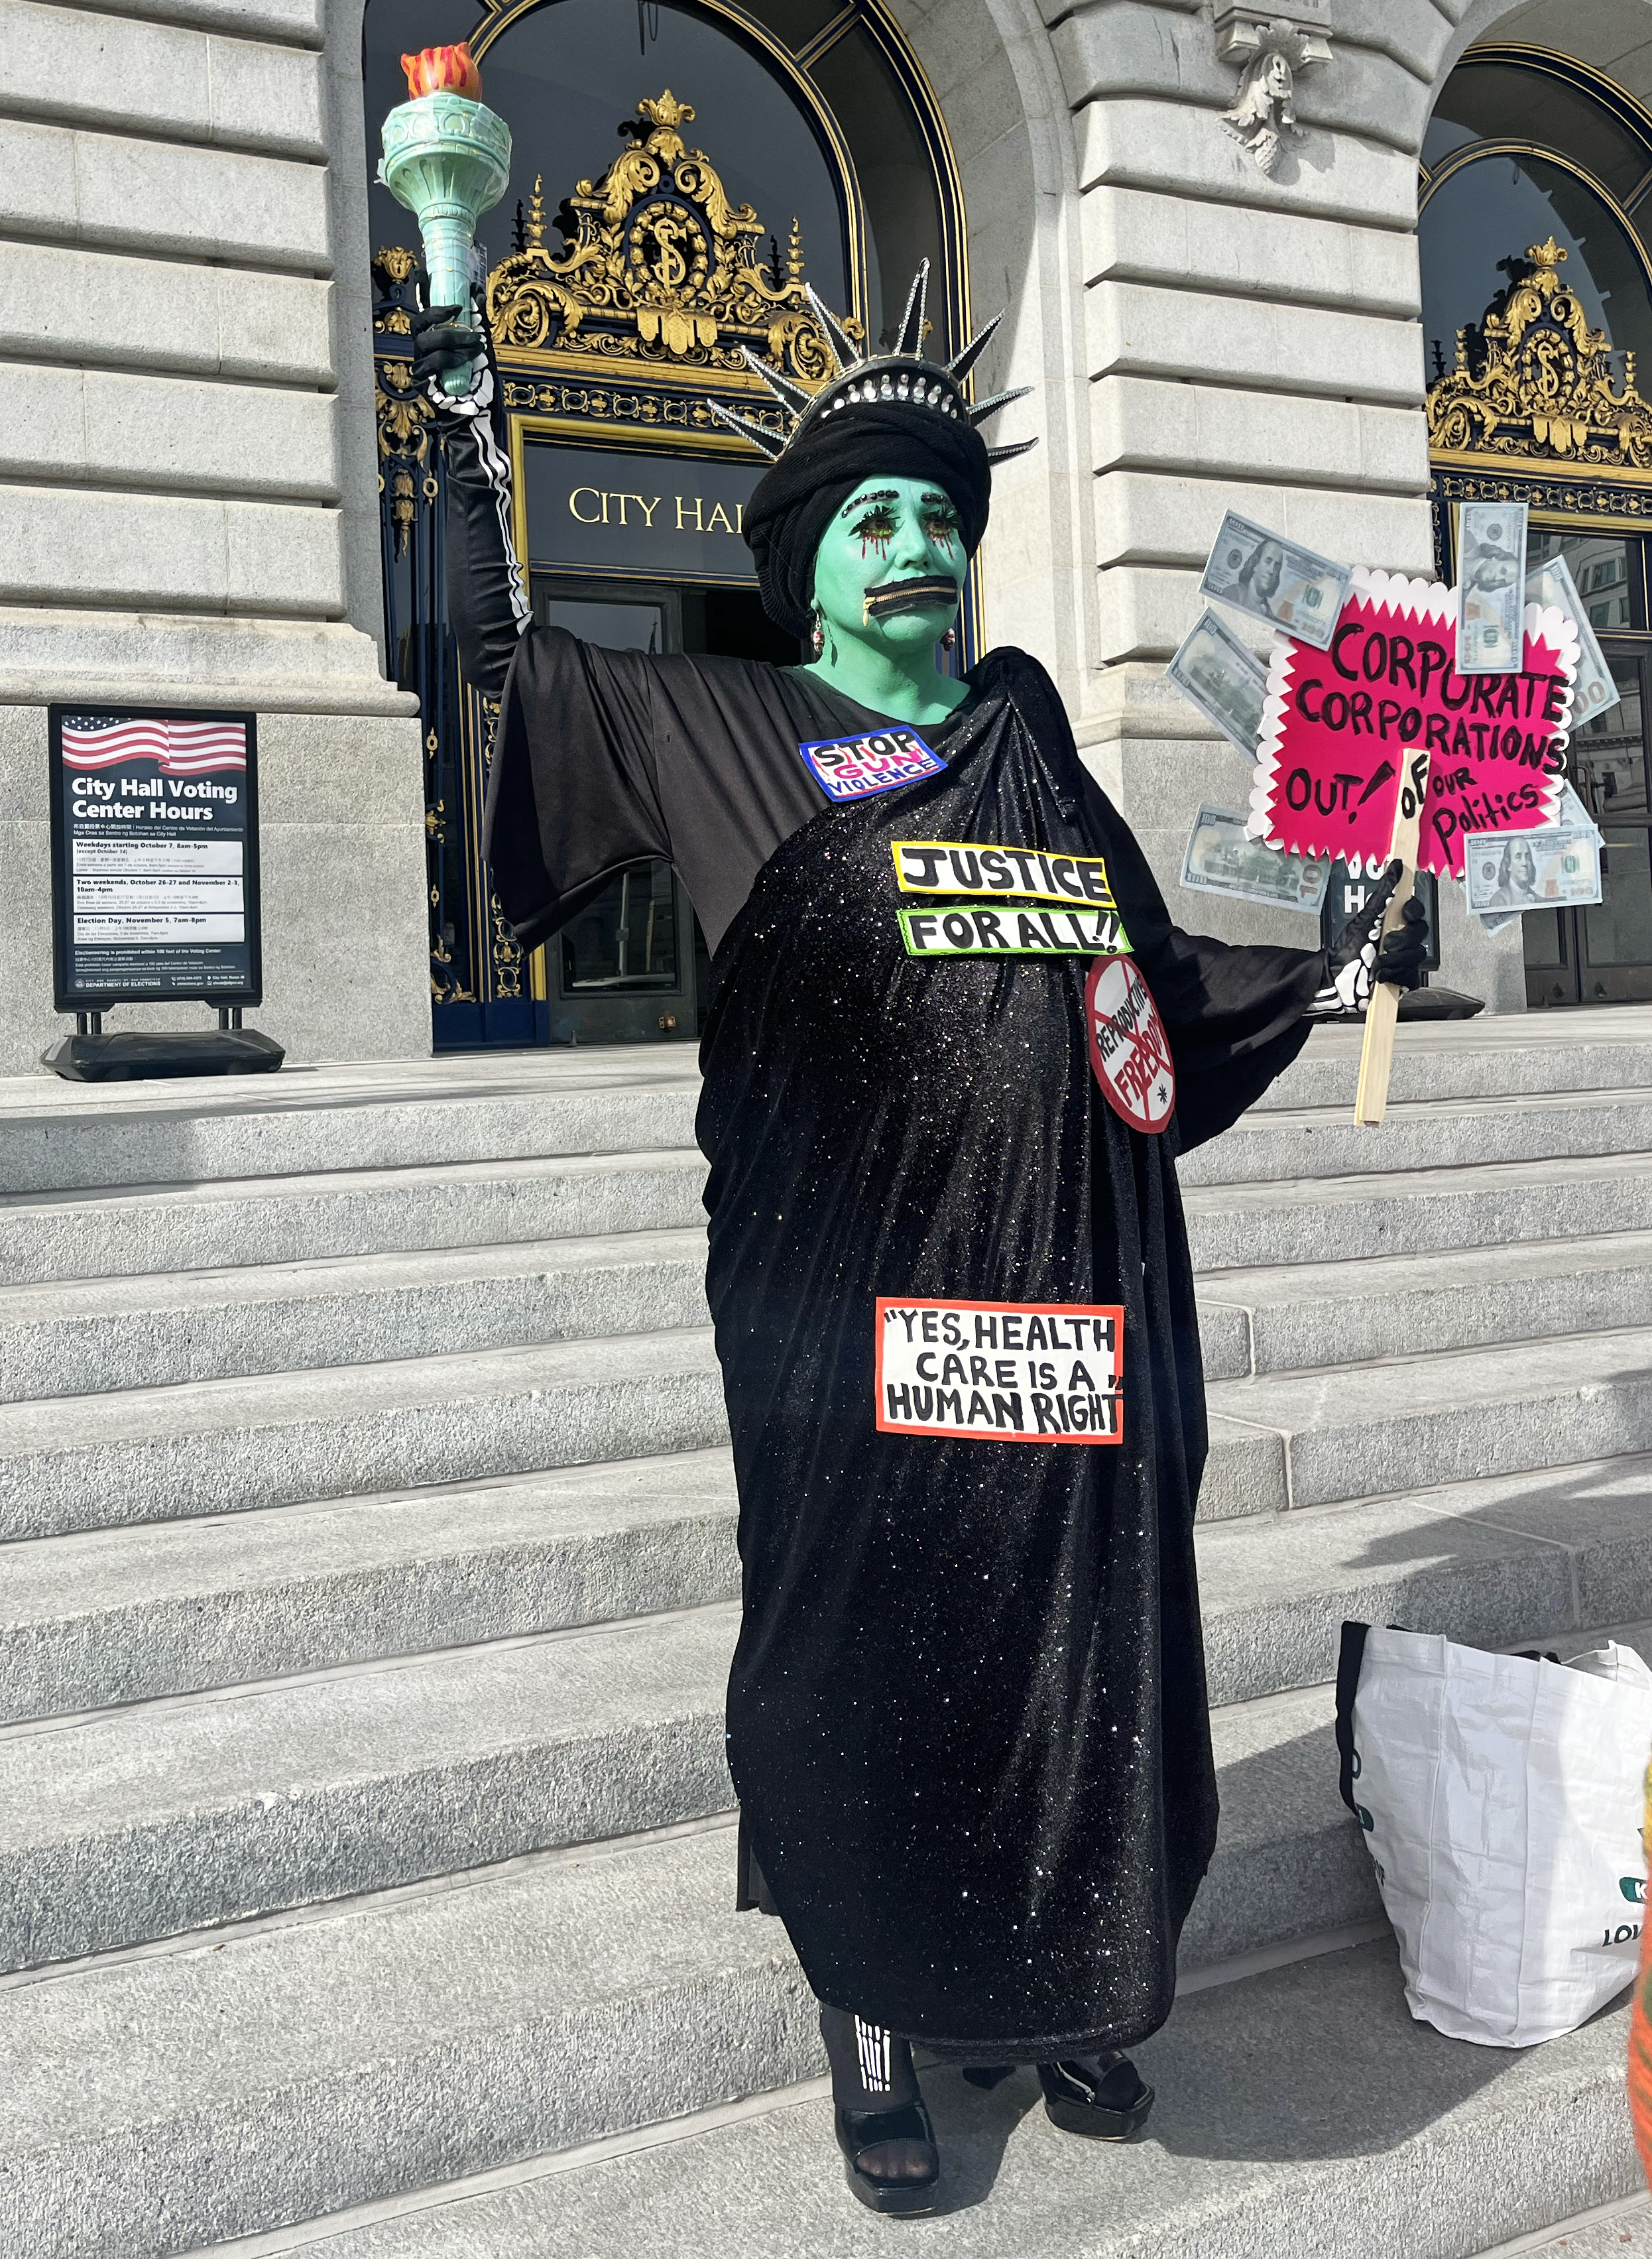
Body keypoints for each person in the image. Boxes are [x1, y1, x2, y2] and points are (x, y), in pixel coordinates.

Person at [413, 264, 1429, 2217]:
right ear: (804, 570)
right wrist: (463, 443)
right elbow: (493, 675)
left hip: (1076, 1305)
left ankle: (1058, 1983)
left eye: (939, 519)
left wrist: (1337, 955)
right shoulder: (717, 725)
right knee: (868, 1650)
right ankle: (872, 2005)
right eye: (872, 517)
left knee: (1073, 1639)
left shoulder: (1026, 721)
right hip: (848, 1309)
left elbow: (1140, 968)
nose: (914, 546)